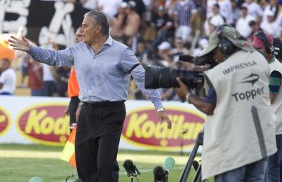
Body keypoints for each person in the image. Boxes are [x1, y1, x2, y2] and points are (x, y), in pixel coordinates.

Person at [8, 10, 171, 182]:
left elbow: (142, 78)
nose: (82, 29)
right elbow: (55, 57)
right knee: (85, 166)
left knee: (105, 164)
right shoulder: (78, 50)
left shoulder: (122, 52)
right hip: (86, 113)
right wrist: (32, 50)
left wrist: (158, 106)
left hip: (112, 112)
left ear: (98, 28)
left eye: (85, 25)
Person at [175, 25, 277, 181]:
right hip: (261, 144)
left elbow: (209, 107)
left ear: (225, 46)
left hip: (233, 150)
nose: (214, 57)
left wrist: (187, 95)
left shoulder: (220, 73)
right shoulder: (259, 60)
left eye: (214, 51)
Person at [251, 30, 282, 182]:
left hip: (275, 130)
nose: (256, 51)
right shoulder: (267, 67)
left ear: (270, 49)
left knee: (271, 174)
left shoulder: (275, 69)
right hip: (271, 128)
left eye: (259, 48)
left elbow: (270, 98)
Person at [64, 27, 84, 132]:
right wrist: (71, 103)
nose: (77, 38)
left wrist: (81, 104)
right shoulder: (78, 55)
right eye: (76, 35)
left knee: (78, 133)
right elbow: (76, 84)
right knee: (73, 132)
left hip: (83, 100)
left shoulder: (87, 57)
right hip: (75, 99)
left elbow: (87, 84)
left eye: (80, 35)